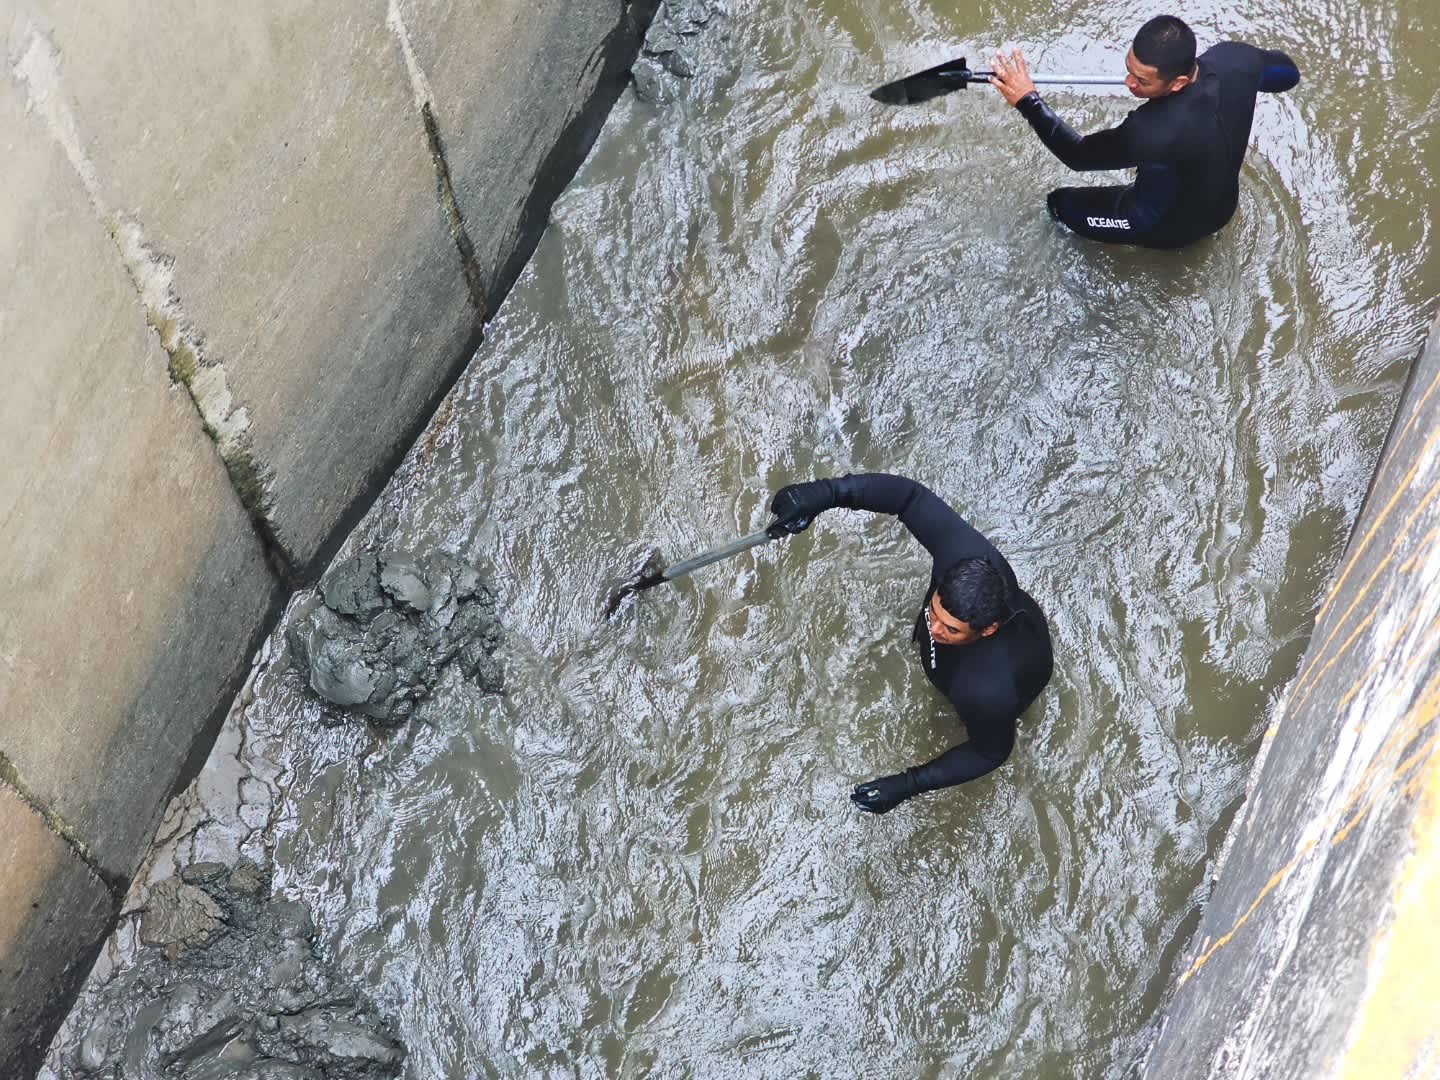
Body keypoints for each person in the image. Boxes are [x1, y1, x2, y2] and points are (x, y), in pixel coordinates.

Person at [768, 473, 1053, 813]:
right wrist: (824, 493)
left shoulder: (988, 690)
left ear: (987, 630)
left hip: (997, 684)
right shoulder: (966, 555)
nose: (934, 626)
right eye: (934, 611)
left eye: (950, 628)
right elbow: (909, 498)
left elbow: (990, 752)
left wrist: (909, 783)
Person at [987, 15, 1300, 249]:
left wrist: (1027, 100)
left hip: (1155, 223)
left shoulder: (1155, 131)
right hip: (1224, 206)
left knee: (1060, 204)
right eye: (1129, 69)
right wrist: (1246, 84)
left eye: (1142, 81)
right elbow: (1288, 75)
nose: (1128, 83)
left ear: (1178, 83)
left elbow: (1077, 156)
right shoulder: (1236, 60)